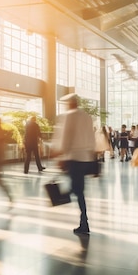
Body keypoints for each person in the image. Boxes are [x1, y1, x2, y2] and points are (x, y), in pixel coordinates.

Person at [52, 93, 96, 234]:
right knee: (79, 190)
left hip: (74, 157)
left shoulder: (69, 115)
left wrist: (61, 155)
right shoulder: (87, 117)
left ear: (70, 104)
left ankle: (84, 222)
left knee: (77, 190)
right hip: (86, 158)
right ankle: (83, 222)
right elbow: (91, 137)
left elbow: (66, 137)